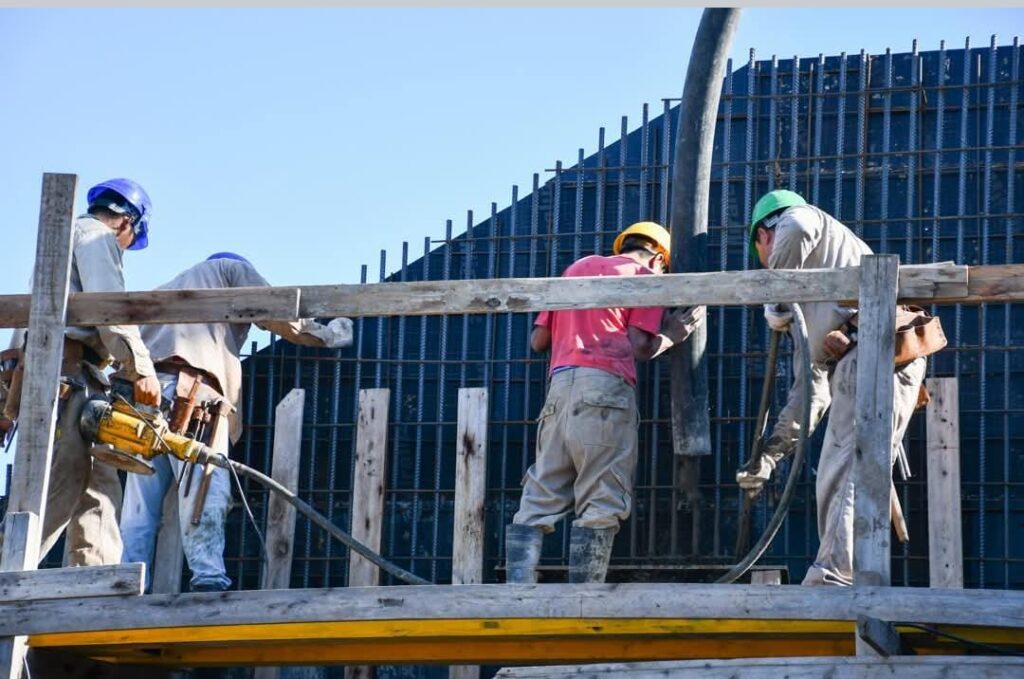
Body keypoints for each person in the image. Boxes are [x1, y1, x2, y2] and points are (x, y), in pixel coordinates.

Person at [116, 253, 353, 592]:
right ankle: (209, 577)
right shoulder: (228, 269)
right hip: (193, 395)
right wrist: (327, 335)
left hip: (145, 399)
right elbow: (273, 310)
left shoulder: (164, 292)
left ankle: (126, 584)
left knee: (139, 504)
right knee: (205, 484)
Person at [735, 190, 927, 586]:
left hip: (878, 355)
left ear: (763, 236)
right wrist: (769, 457)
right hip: (861, 362)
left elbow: (798, 224)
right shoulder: (813, 305)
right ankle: (841, 573)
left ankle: (834, 577)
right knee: (838, 469)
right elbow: (810, 396)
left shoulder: (803, 222)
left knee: (847, 468)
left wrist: (777, 298)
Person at [505, 222, 706, 584]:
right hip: (604, 391)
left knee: (541, 492)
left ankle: (518, 592)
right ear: (659, 257)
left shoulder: (576, 269)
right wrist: (672, 336)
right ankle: (583, 598)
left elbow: (538, 340)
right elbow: (638, 347)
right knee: (601, 498)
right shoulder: (645, 278)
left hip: (560, 387)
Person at [3, 178, 159, 566]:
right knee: (58, 484)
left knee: (98, 484)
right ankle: (7, 574)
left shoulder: (56, 249)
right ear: (126, 223)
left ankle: (94, 579)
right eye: (130, 240)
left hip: (73, 377)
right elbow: (110, 308)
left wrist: (7, 397)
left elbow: (24, 330)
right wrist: (139, 368)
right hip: (65, 374)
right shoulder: (94, 236)